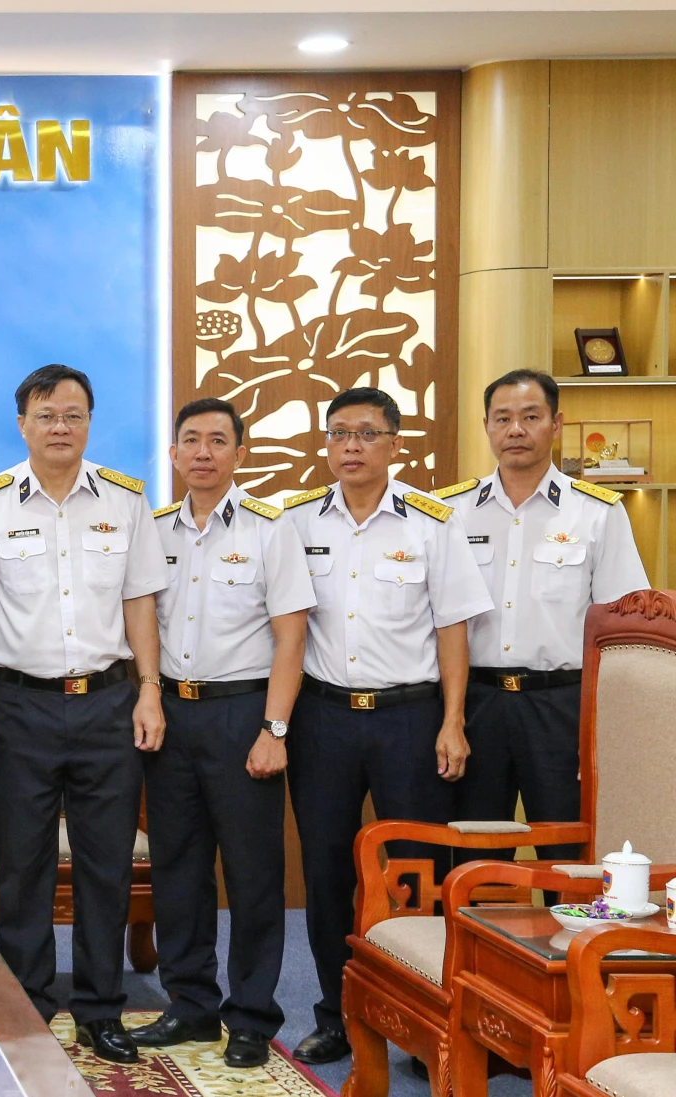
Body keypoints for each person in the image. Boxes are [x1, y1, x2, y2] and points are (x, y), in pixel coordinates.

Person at [279, 386, 492, 1065]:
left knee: (415, 873)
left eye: (367, 433)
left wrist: (453, 721)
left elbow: (453, 630)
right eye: (339, 432)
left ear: (394, 445)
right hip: (323, 719)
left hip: (409, 718)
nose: (351, 446)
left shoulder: (431, 523)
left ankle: (415, 1021)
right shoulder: (297, 522)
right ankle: (336, 1014)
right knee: (327, 872)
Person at [0, 363, 167, 1063]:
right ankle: (26, 1004)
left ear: (89, 422)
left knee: (105, 864)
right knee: (21, 864)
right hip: (18, 705)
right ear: (22, 423)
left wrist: (150, 688)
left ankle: (100, 1010)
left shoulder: (126, 499)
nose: (60, 427)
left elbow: (140, 601)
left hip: (108, 702)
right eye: (46, 415)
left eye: (73, 415)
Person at [130, 398, 313, 1068]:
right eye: (190, 440)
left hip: (243, 714)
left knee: (252, 871)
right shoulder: (153, 531)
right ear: (174, 453)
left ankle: (252, 1016)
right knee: (178, 868)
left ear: (240, 451)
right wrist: (150, 696)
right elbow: (140, 620)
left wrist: (274, 728)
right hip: (172, 715)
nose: (202, 452)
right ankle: (190, 1004)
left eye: (216, 440)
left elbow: (292, 637)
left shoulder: (270, 528)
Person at [441, 370, 647, 859]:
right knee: (474, 859)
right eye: (502, 418)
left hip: (561, 707)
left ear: (556, 425)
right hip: (476, 705)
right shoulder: (452, 512)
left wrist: (606, 726)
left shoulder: (597, 512)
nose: (516, 430)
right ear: (486, 426)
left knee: (567, 856)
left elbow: (621, 628)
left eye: (530, 417)